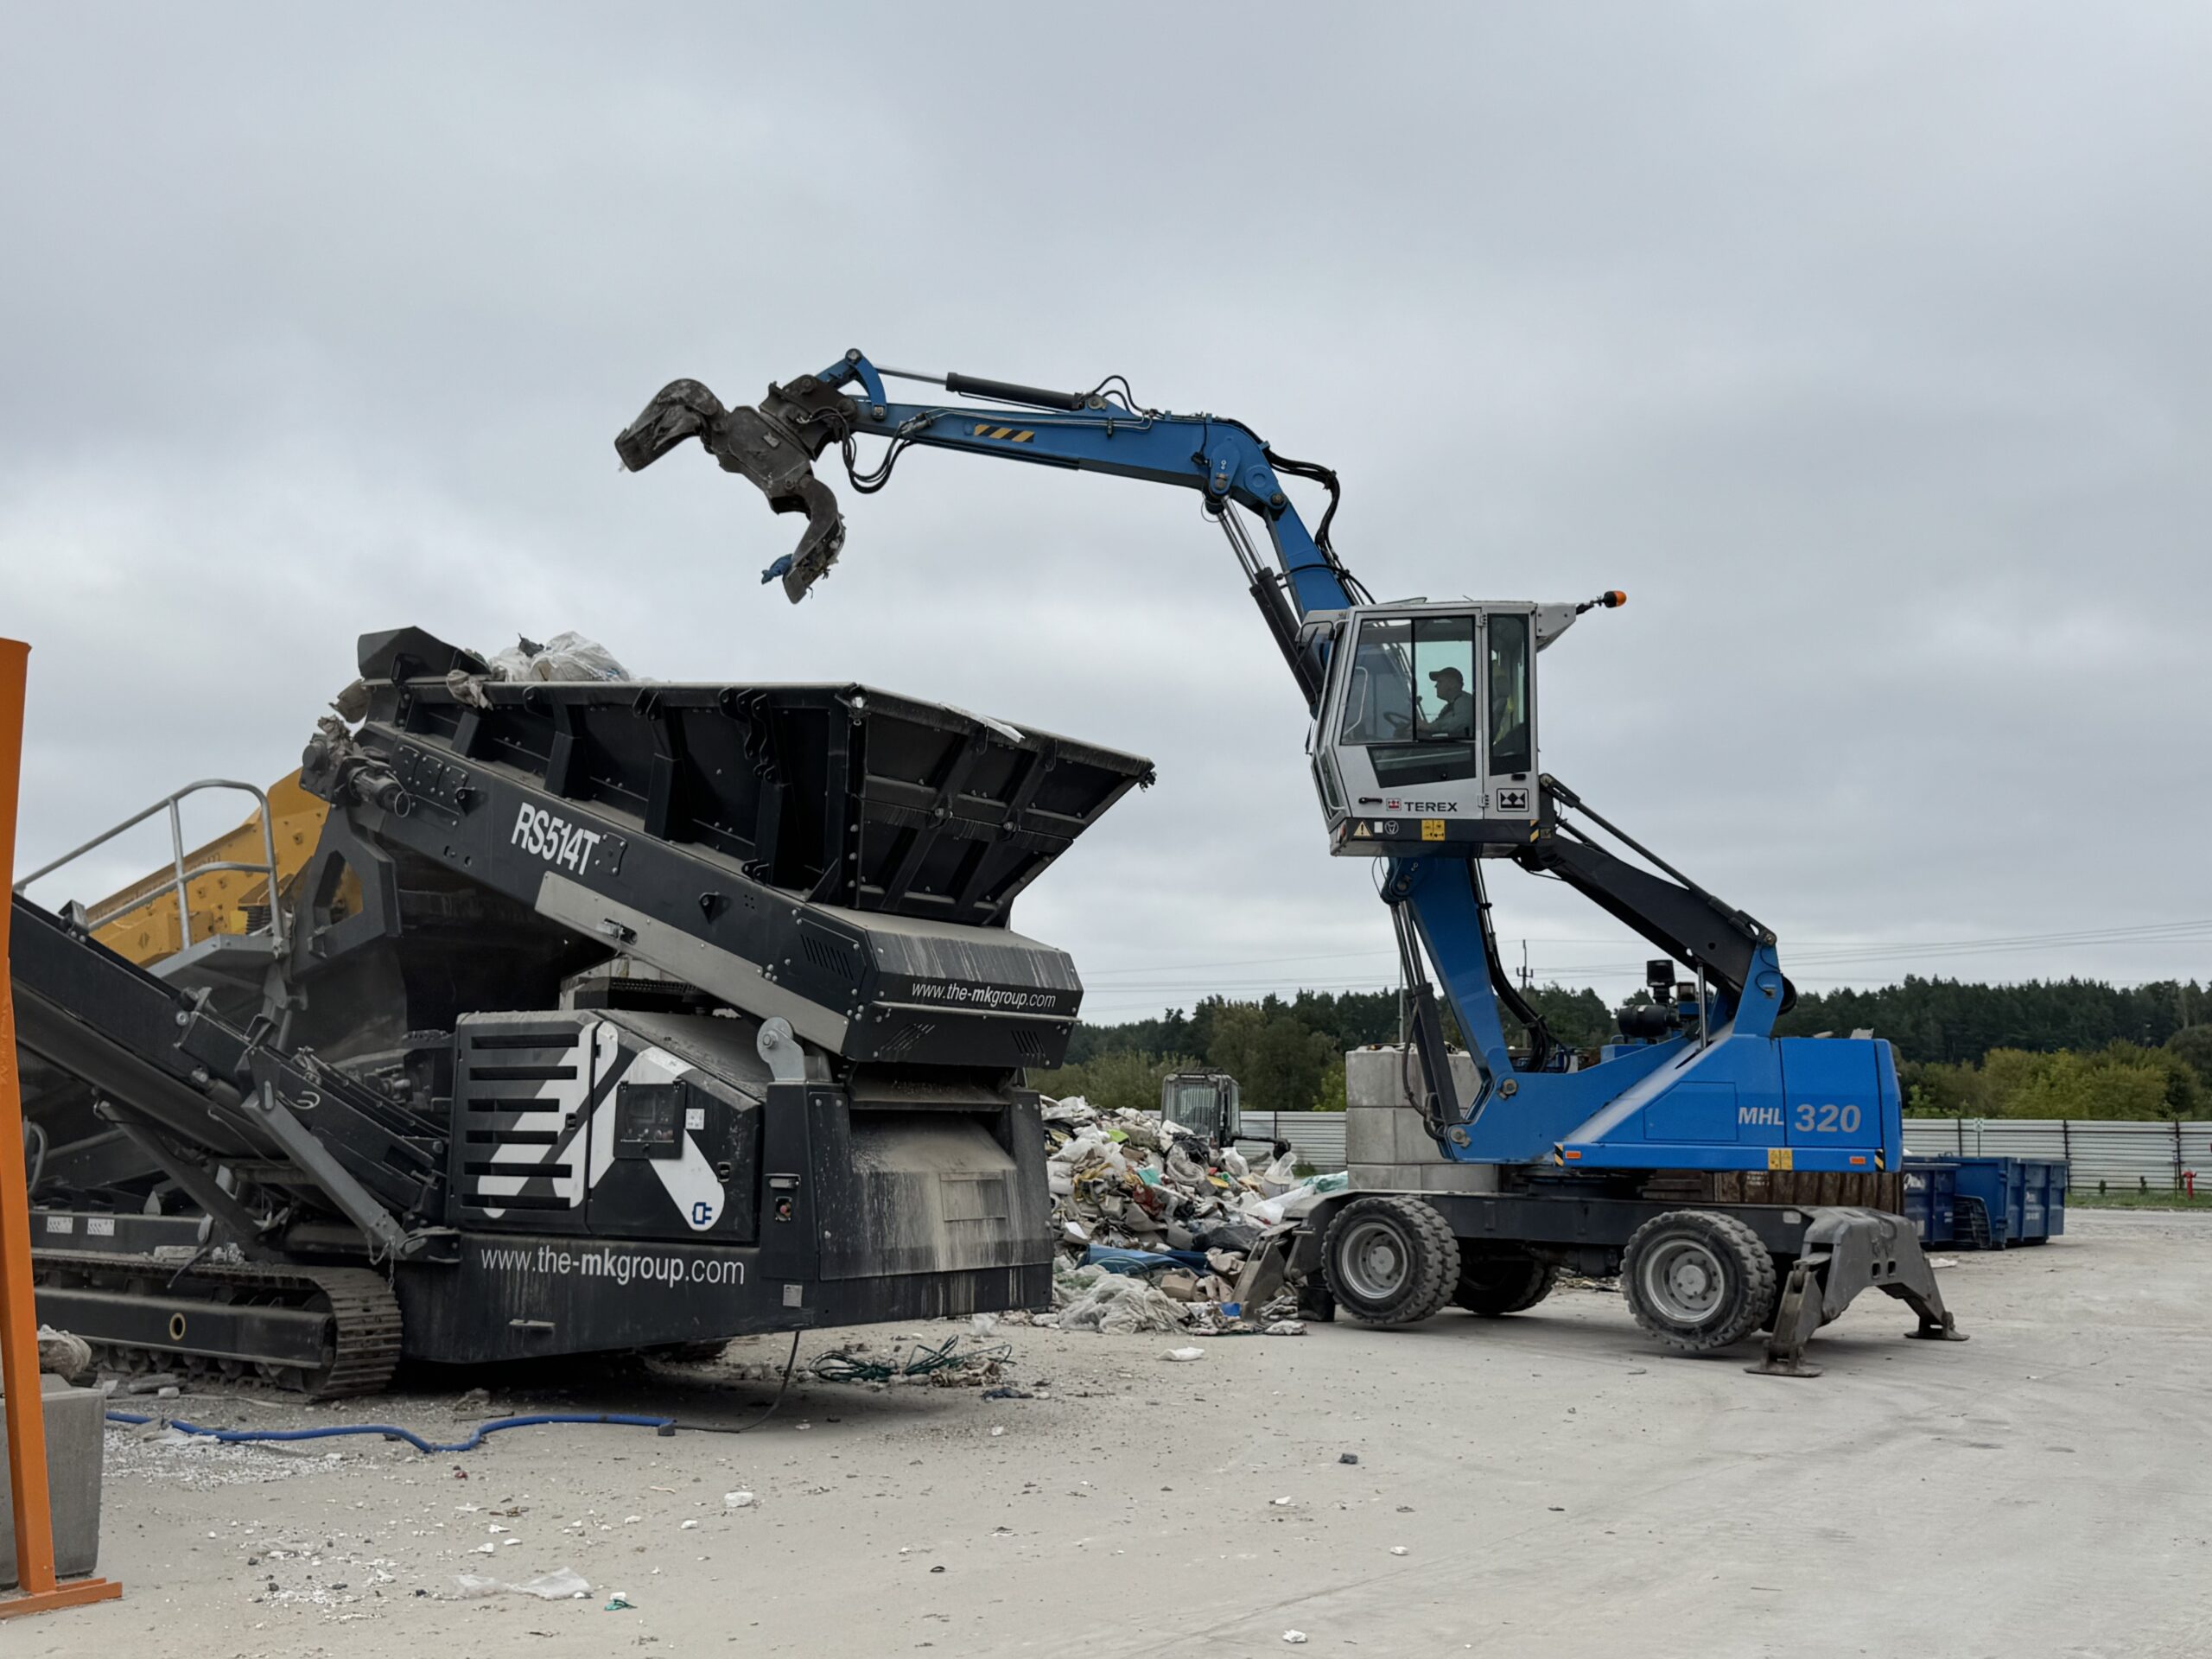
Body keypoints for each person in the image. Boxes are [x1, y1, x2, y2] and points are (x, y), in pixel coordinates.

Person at [1415, 665, 1476, 739]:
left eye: (1440, 682)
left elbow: (1460, 723)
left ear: (1452, 684)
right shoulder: (1448, 707)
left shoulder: (1465, 702)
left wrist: (1428, 727)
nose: (1436, 686)